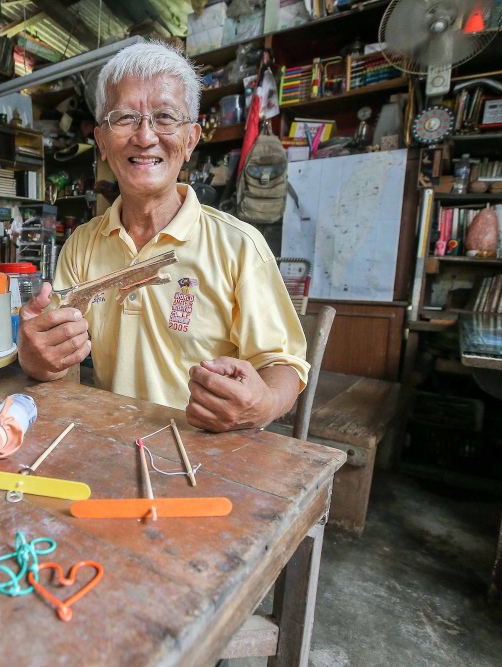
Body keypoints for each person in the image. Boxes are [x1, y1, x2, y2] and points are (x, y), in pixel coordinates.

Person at [16, 42, 309, 433]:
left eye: (165, 117)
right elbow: (61, 363)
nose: (145, 136)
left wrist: (264, 402)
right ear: (102, 141)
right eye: (124, 118)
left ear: (190, 140)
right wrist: (38, 360)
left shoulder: (240, 246)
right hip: (110, 443)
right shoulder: (83, 245)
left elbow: (283, 362)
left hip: (205, 452)